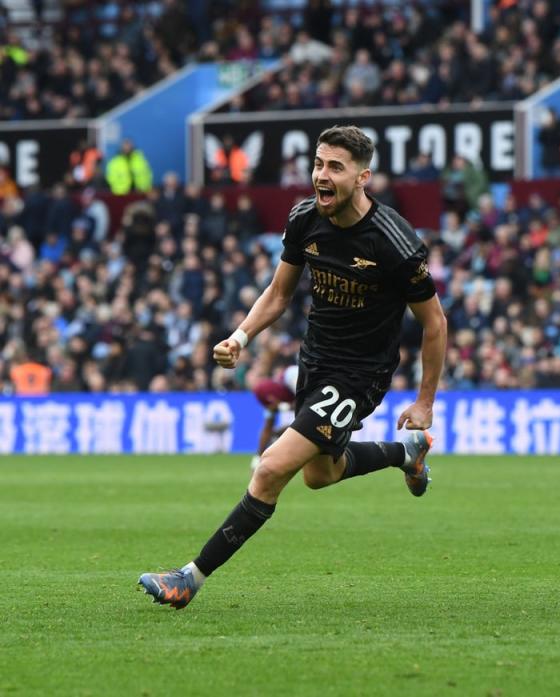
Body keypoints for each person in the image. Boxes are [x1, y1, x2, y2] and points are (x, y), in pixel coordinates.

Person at [139, 125, 448, 609]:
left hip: (359, 374)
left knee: (269, 470)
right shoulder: (305, 218)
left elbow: (434, 323)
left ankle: (189, 578)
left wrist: (424, 402)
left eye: (335, 168)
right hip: (315, 361)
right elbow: (280, 293)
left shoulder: (394, 241)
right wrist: (241, 336)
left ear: (363, 177)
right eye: (318, 164)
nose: (321, 175)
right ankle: (405, 453)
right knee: (320, 475)